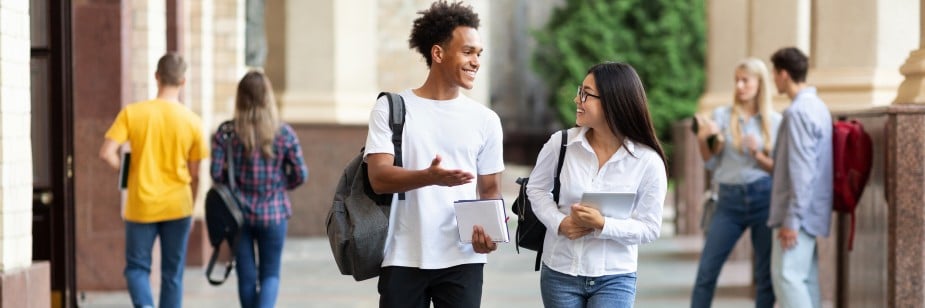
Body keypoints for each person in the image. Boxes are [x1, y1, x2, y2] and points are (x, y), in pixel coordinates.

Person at [364, 1, 504, 307]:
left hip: (463, 258)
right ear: (438, 53)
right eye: (468, 52)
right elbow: (378, 178)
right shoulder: (390, 108)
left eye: (479, 53)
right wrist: (429, 177)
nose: (476, 61)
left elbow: (490, 189)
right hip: (402, 255)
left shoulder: (486, 120)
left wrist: (490, 232)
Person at [526, 62, 668, 307]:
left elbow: (650, 227)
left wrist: (603, 225)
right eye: (580, 91)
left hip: (615, 276)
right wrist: (560, 224)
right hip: (560, 271)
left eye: (585, 94)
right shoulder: (560, 144)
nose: (576, 99)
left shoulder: (648, 162)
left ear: (613, 102)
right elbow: (536, 189)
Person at [98, 52, 208, 308]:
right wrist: (191, 208)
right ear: (183, 81)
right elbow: (196, 173)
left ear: (156, 77)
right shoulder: (192, 121)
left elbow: (106, 153)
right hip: (178, 205)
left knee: (137, 268)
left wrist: (128, 172)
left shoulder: (133, 113)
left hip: (141, 204)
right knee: (173, 274)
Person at [210, 71, 308, 308]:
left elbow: (216, 174)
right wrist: (281, 186)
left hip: (238, 215)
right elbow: (300, 174)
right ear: (268, 97)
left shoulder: (226, 133)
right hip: (274, 213)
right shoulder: (284, 133)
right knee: (270, 275)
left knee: (246, 276)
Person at [689, 58, 781, 308]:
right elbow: (710, 161)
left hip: (764, 199)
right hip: (728, 202)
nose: (739, 86)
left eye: (745, 80)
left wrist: (757, 155)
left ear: (760, 84)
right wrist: (703, 138)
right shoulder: (721, 115)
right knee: (706, 272)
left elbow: (780, 171)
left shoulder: (775, 121)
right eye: (736, 80)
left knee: (765, 277)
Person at [766, 47, 833, 308]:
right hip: (811, 210)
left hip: (798, 214)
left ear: (784, 74)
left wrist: (791, 220)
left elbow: (802, 172)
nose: (773, 79)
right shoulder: (817, 107)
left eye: (774, 73)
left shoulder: (797, 113)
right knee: (805, 279)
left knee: (787, 278)